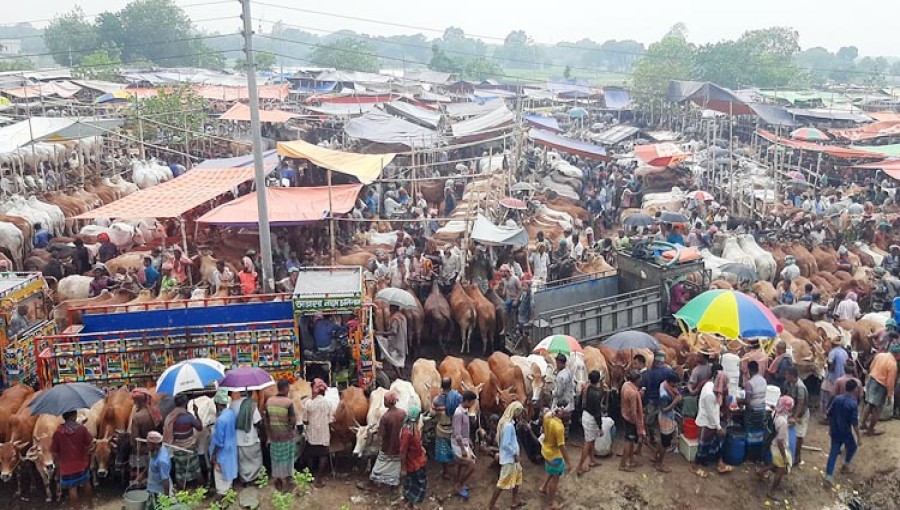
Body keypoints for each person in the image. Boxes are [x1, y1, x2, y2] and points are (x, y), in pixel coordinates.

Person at [693, 366, 733, 477]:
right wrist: (718, 427)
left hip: (713, 420)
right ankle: (695, 466)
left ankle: (719, 463)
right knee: (703, 445)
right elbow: (711, 413)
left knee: (716, 442)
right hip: (707, 422)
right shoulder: (710, 394)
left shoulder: (711, 385)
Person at [364, 392, 407, 493]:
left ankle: (372, 482)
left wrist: (377, 437)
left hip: (387, 447)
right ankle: (392, 484)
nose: (383, 402)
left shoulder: (385, 417)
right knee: (395, 465)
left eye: (384, 400)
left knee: (379, 465)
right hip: (399, 445)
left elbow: (381, 436)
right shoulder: (403, 413)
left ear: (388, 402)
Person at [51, 410, 94, 510]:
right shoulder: (82, 429)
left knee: (72, 489)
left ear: (63, 417)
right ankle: (90, 506)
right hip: (82, 463)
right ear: (74, 416)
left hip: (67, 467)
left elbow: (54, 452)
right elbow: (90, 444)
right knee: (86, 483)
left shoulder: (57, 433)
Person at [825, 379, 862, 486]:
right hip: (845, 432)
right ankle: (845, 465)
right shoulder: (853, 404)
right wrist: (859, 437)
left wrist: (831, 427)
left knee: (833, 452)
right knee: (853, 447)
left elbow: (829, 413)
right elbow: (854, 423)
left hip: (835, 430)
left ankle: (828, 476)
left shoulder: (837, 399)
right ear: (855, 389)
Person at [488, 402, 525, 510]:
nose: (520, 415)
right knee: (502, 483)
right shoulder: (508, 426)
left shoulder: (506, 422)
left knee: (518, 478)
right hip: (510, 458)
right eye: (520, 413)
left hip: (512, 458)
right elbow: (505, 444)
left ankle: (515, 501)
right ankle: (490, 506)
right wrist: (514, 453)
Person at [163, 393, 204, 489]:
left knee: (180, 473)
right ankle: (202, 491)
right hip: (190, 448)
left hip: (177, 449)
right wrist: (196, 413)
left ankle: (182, 493)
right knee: (196, 470)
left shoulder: (170, 417)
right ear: (186, 403)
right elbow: (200, 427)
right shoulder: (188, 417)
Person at [641, 350, 675, 461]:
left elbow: (645, 387)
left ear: (654, 360)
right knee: (663, 424)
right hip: (664, 401)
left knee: (649, 421)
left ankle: (651, 438)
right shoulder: (668, 372)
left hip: (652, 400)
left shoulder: (648, 373)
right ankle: (662, 439)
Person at [757, 396, 794, 496]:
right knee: (781, 470)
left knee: (775, 465)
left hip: (773, 442)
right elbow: (780, 442)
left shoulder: (775, 413)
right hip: (778, 447)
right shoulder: (783, 423)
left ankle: (761, 472)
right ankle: (772, 491)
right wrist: (784, 457)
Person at [265, 379, 297, 491]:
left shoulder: (269, 401)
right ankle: (286, 481)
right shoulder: (288, 403)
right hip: (286, 436)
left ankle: (277, 479)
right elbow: (293, 421)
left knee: (276, 458)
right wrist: (291, 427)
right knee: (286, 458)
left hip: (274, 436)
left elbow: (267, 419)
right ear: (285, 389)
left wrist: (269, 433)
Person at [301, 378, 334, 487]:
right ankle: (319, 479)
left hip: (312, 434)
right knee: (323, 456)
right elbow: (330, 421)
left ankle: (310, 476)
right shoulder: (328, 403)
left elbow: (305, 420)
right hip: (324, 434)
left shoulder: (308, 404)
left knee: (310, 455)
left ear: (314, 390)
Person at [860, 346, 900, 436]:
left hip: (872, 379)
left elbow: (871, 366)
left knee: (869, 403)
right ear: (897, 355)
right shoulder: (892, 364)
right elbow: (890, 381)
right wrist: (890, 395)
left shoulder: (880, 355)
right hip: (880, 385)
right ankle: (870, 429)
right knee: (878, 409)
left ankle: (862, 423)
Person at [539, 403, 571, 510]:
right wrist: (569, 462)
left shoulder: (548, 417)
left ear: (561, 415)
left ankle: (544, 487)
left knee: (552, 472)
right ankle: (551, 503)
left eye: (563, 410)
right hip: (554, 456)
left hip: (546, 451)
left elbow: (547, 412)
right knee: (555, 479)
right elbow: (562, 446)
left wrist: (554, 411)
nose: (561, 408)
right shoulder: (559, 427)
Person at [210, 390, 238, 498]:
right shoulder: (231, 413)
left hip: (222, 451)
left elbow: (219, 442)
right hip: (231, 448)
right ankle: (228, 492)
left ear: (217, 404)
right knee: (229, 471)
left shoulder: (221, 420)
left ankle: (221, 496)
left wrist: (214, 455)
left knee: (220, 474)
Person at [231, 390, 263, 484]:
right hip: (250, 437)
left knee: (242, 461)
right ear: (250, 394)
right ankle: (253, 478)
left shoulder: (232, 404)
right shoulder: (252, 405)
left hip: (238, 438)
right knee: (255, 459)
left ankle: (244, 479)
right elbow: (257, 421)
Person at [131, 388, 162, 482]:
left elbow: (134, 439)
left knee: (141, 475)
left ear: (137, 401)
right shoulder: (155, 412)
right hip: (156, 448)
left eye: (134, 401)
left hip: (142, 451)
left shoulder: (137, 417)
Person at [399, 406, 427, 508]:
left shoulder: (414, 428)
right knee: (416, 484)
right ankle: (410, 504)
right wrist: (403, 468)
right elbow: (402, 451)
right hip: (413, 463)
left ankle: (408, 501)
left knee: (411, 483)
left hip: (418, 460)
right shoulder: (407, 432)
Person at [451, 390, 477, 499]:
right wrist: (462, 448)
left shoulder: (464, 411)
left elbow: (464, 430)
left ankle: (458, 484)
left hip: (463, 442)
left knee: (459, 464)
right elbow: (457, 433)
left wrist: (469, 440)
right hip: (458, 444)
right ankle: (459, 485)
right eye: (471, 402)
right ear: (466, 401)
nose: (472, 405)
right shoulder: (458, 413)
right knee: (471, 465)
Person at [577, 370, 604, 475]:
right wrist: (600, 426)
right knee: (588, 443)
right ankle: (579, 466)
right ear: (598, 380)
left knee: (591, 440)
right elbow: (597, 413)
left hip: (585, 415)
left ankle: (592, 460)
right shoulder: (596, 394)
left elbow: (579, 402)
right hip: (591, 418)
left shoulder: (585, 388)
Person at [656, 373, 683, 473]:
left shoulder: (664, 384)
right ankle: (659, 464)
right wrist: (675, 401)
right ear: (670, 382)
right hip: (665, 419)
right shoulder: (664, 395)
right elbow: (664, 409)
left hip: (665, 417)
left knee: (662, 441)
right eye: (675, 384)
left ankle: (656, 458)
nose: (676, 386)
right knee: (665, 444)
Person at [619, 370, 645, 472]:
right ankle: (623, 464)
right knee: (629, 442)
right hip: (631, 420)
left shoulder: (626, 385)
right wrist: (637, 424)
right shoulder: (633, 393)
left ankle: (631, 460)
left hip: (624, 415)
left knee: (629, 440)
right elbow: (634, 412)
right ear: (637, 380)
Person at [432, 379, 457, 479]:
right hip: (454, 428)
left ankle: (446, 472)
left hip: (442, 428)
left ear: (441, 387)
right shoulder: (455, 398)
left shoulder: (437, 400)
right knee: (455, 449)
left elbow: (433, 413)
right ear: (450, 386)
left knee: (443, 452)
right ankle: (456, 469)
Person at [785, 366, 810, 466]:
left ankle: (797, 457)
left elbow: (800, 403)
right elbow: (788, 395)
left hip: (801, 415)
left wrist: (794, 417)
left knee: (799, 436)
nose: (785, 376)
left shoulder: (800, 387)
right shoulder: (791, 383)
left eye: (787, 374)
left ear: (792, 376)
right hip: (794, 411)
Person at [376, 304, 408, 379]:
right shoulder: (403, 317)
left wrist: (380, 333)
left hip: (395, 343)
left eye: (390, 308)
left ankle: (399, 376)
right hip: (403, 342)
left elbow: (393, 332)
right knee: (401, 360)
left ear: (393, 308)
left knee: (393, 361)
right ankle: (402, 374)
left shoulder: (394, 319)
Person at [145, 431, 171, 508]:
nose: (147, 446)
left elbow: (165, 480)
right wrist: (140, 477)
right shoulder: (156, 451)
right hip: (152, 489)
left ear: (155, 445)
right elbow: (151, 466)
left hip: (159, 492)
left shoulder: (162, 461)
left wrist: (166, 499)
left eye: (148, 444)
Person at [823, 337, 849, 414]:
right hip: (844, 376)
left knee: (830, 395)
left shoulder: (833, 352)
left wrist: (826, 363)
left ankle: (828, 412)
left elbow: (830, 362)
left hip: (834, 377)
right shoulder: (845, 352)